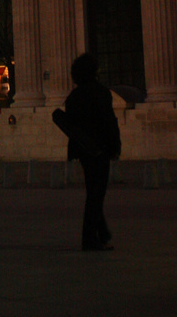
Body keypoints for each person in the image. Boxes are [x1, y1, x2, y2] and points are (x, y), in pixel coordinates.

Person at [63, 53, 121, 252]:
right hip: (100, 149)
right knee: (97, 194)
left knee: (93, 192)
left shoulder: (73, 97)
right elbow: (108, 121)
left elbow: (70, 126)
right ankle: (90, 238)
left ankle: (102, 233)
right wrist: (115, 146)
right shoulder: (100, 92)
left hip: (84, 150)